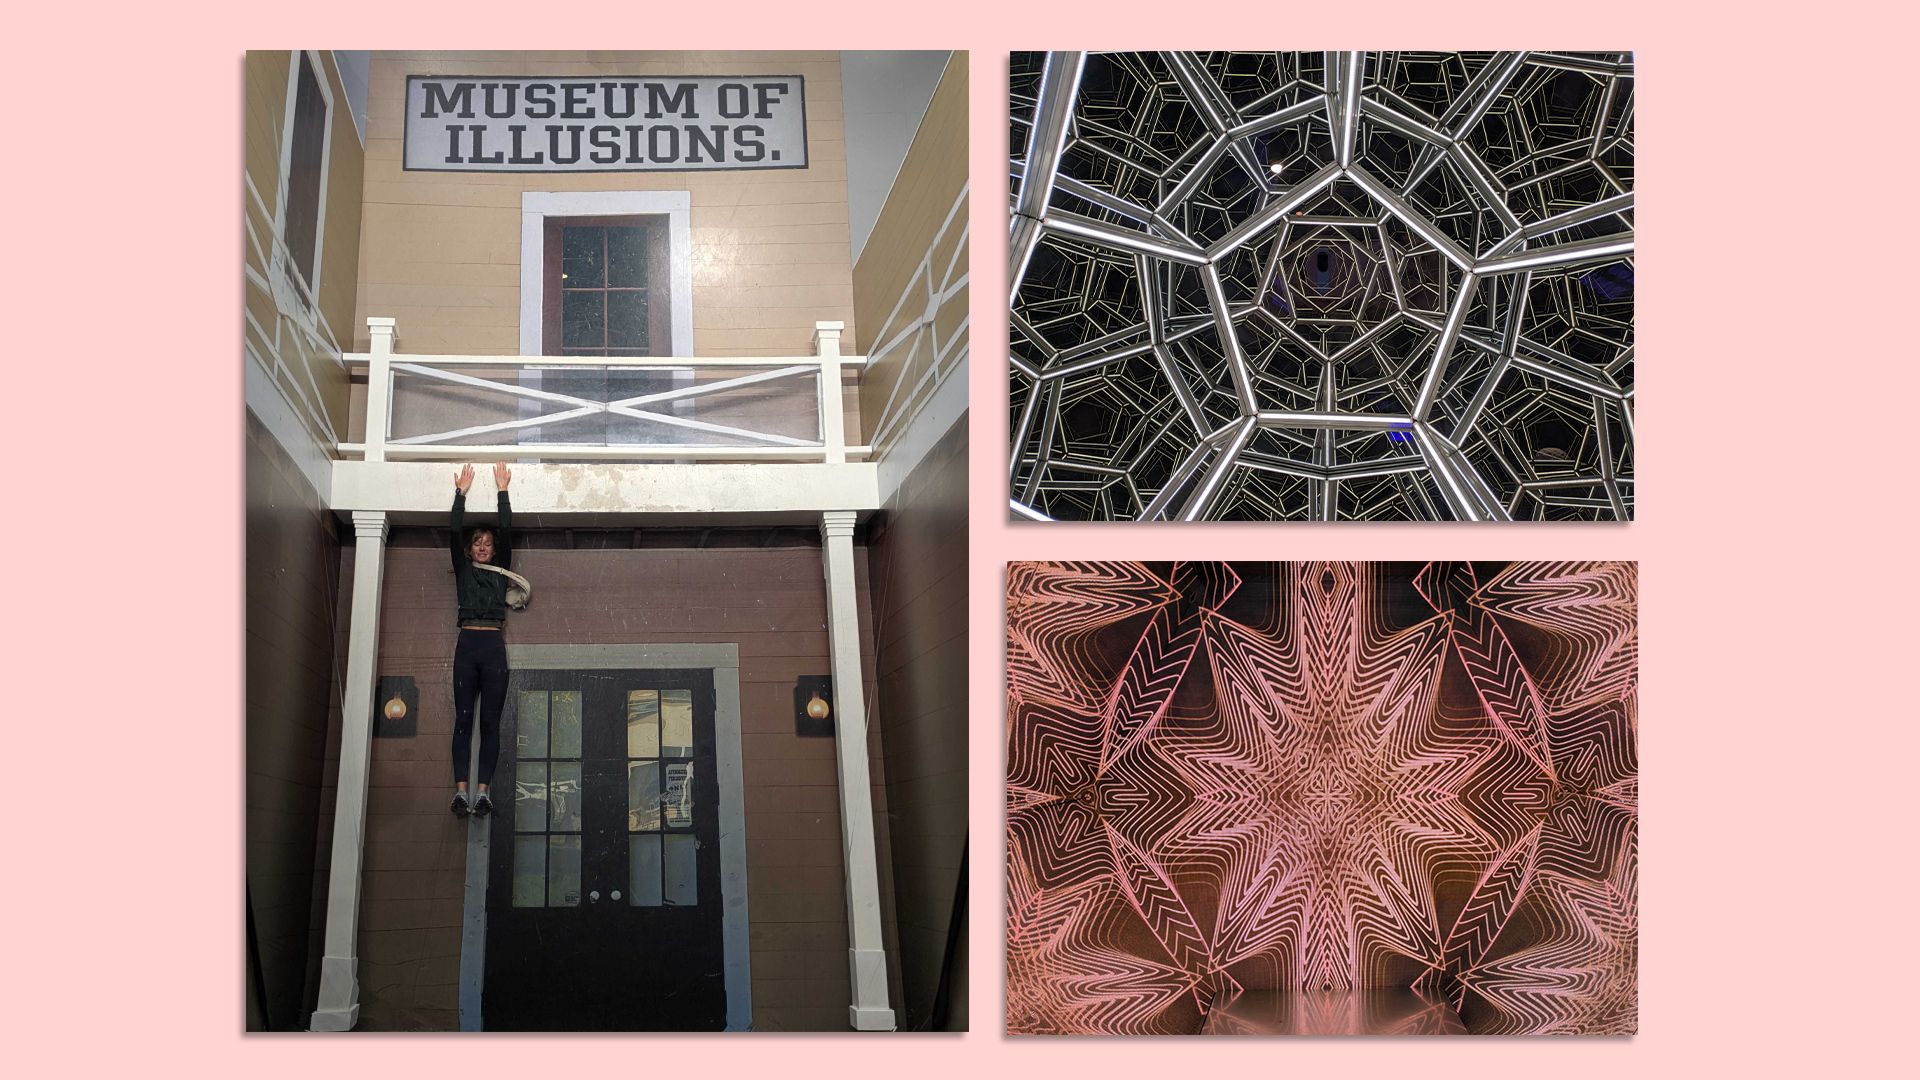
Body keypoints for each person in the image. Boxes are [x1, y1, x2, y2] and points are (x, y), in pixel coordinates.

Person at [449, 462, 513, 818]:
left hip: (493, 646)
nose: (484, 547)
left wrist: (503, 491)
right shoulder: (463, 571)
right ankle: (460, 791)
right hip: (467, 644)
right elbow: (452, 531)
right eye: (478, 543)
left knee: (490, 721)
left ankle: (483, 792)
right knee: (463, 718)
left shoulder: (500, 569)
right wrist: (460, 495)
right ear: (471, 549)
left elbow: (507, 531)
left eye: (488, 543)